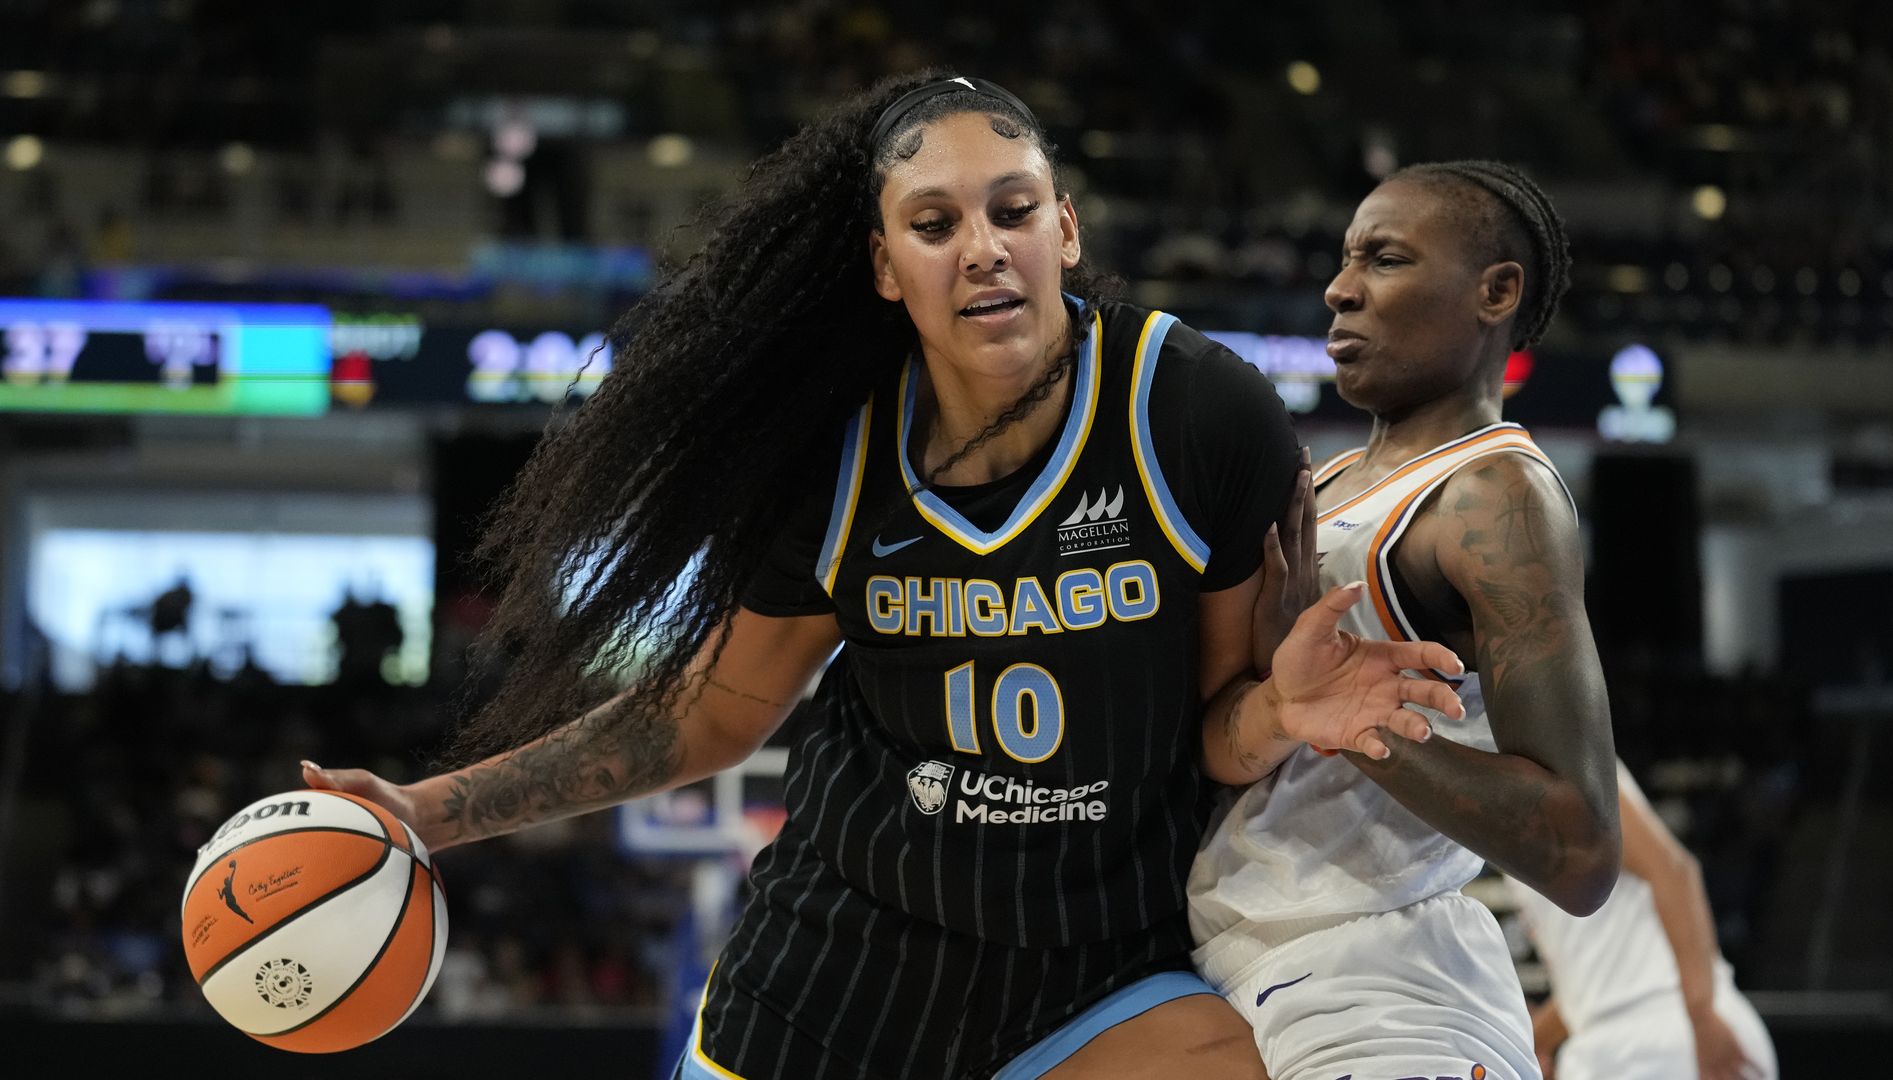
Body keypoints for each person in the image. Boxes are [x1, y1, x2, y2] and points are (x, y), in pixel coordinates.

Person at [300, 73, 1463, 1080]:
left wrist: (1281, 712)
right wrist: (423, 813)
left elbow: (1217, 732)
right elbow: (701, 722)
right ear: (884, 265)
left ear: (1065, 228)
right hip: (836, 984)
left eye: (1012, 210)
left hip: (1101, 976)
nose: (982, 247)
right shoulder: (837, 456)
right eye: (933, 222)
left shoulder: (1193, 414)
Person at [1186, 160, 1622, 1080]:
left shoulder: (1497, 493)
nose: (1341, 290)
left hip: (1388, 992)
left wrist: (1355, 724)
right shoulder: (1331, 478)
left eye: (1384, 260)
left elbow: (1579, 848)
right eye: (1345, 261)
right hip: (1242, 967)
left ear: (1495, 292)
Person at [1516, 760, 1776, 1080]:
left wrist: (1701, 1014)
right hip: (1641, 1033)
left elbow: (1675, 872)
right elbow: (1591, 985)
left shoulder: (1562, 755)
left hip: (1664, 1027)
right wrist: (1522, 1046)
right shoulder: (1520, 802)